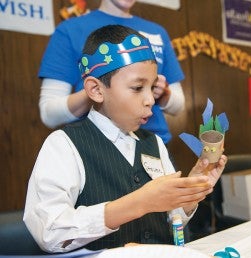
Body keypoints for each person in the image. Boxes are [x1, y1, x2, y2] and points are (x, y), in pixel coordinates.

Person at [24, 24, 227, 253]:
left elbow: (172, 220)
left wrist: (191, 191)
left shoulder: (154, 143)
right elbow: (49, 231)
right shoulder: (64, 145)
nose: (150, 99)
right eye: (138, 87)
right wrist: (139, 202)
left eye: (152, 87)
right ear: (96, 90)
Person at [39, 0, 185, 145]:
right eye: (137, 87)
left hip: (154, 144)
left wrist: (163, 93)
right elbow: (49, 114)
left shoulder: (157, 32)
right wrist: (100, 91)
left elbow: (179, 105)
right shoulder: (70, 30)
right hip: (97, 146)